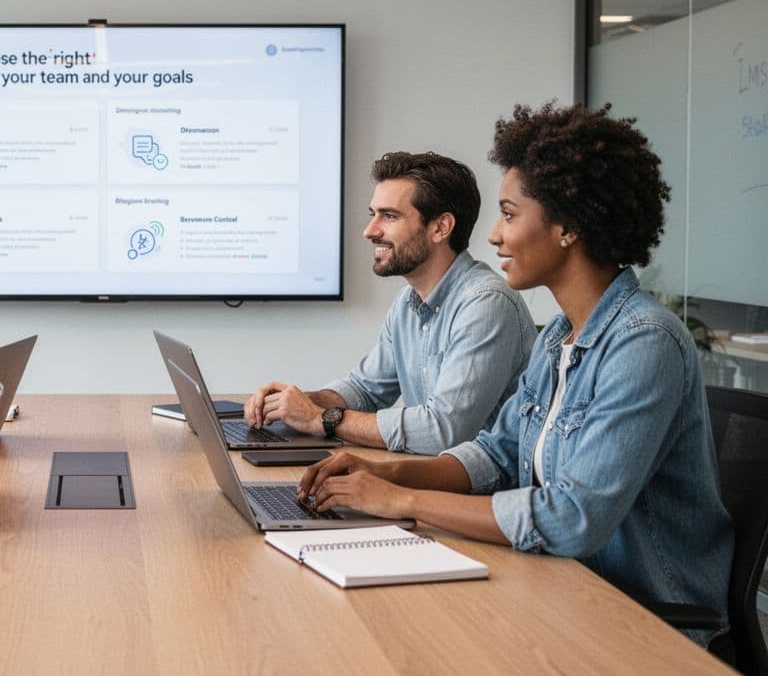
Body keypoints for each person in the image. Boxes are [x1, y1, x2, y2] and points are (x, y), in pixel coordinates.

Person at [298, 103, 732, 646]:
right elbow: (497, 453)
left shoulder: (645, 343)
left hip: (640, 616)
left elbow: (573, 516)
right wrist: (382, 475)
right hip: (561, 585)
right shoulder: (558, 338)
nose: (496, 238)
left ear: (568, 226)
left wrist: (402, 502)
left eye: (509, 214)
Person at [245, 152, 535, 454]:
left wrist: (320, 419)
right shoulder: (408, 302)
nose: (370, 230)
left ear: (440, 228)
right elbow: (365, 390)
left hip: (478, 494)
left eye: (390, 216)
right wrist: (294, 404)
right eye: (373, 214)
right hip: (428, 481)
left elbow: (443, 431)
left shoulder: (486, 304)